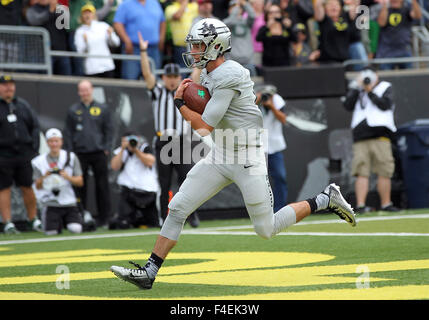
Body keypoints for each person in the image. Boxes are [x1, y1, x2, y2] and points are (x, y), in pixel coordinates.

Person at [110, 18, 356, 290]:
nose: (193, 51)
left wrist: (179, 103)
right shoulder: (209, 73)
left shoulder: (229, 74)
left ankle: (324, 199)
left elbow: (204, 127)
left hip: (248, 157)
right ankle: (149, 271)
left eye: (199, 45)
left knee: (266, 229)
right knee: (178, 207)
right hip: (221, 153)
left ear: (216, 46)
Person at [138, 32, 200, 228]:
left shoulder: (185, 90)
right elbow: (147, 74)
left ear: (178, 77)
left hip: (181, 141)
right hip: (164, 141)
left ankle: (192, 215)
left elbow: (196, 72)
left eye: (175, 77)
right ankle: (165, 219)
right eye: (169, 77)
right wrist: (143, 51)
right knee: (164, 184)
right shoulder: (157, 91)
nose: (172, 80)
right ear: (163, 77)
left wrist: (198, 53)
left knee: (187, 181)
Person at [343, 67, 399, 213]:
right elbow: (347, 105)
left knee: (384, 170)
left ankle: (386, 204)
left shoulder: (385, 87)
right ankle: (361, 205)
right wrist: (357, 87)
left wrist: (370, 90)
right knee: (361, 171)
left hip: (381, 136)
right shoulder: (357, 89)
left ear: (377, 75)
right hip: (361, 137)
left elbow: (385, 105)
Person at [63, 80, 113, 227]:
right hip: (80, 153)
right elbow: (68, 133)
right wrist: (71, 152)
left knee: (102, 186)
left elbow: (109, 130)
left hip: (98, 152)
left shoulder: (102, 108)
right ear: (79, 92)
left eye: (87, 90)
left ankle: (105, 219)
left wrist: (106, 148)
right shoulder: (73, 110)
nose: (84, 93)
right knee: (80, 186)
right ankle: (81, 216)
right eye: (82, 90)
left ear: (91, 90)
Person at [0, 75, 42, 234]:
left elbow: (35, 127)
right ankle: (8, 222)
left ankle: (33, 220)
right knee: (4, 188)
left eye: (11, 84)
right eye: (4, 85)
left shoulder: (23, 105)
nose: (8, 88)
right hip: (3, 154)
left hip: (24, 153)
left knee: (27, 186)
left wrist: (34, 149)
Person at [32, 128, 84, 235]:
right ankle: (56, 223)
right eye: (51, 141)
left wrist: (67, 177)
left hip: (69, 201)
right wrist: (45, 177)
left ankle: (65, 221)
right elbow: (37, 186)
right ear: (47, 143)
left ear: (61, 141)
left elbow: (80, 182)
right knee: (51, 233)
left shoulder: (71, 157)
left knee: (76, 229)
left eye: (56, 141)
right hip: (51, 202)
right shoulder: (39, 162)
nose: (54, 144)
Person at [110, 133, 160, 229]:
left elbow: (150, 161)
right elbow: (114, 166)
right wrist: (123, 149)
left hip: (147, 193)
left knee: (153, 223)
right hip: (129, 192)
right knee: (122, 224)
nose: (130, 143)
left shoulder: (145, 148)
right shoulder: (123, 152)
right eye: (126, 141)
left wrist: (136, 150)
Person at [255, 84, 288, 212]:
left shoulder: (277, 100)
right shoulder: (253, 99)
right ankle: (260, 210)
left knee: (280, 176)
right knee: (258, 179)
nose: (266, 97)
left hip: (274, 145)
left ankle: (279, 208)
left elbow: (283, 119)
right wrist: (257, 101)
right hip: (257, 145)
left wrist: (271, 106)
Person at [113, 0, 166, 78]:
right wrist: (126, 40)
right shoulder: (126, 4)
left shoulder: (154, 2)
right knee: (130, 78)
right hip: (134, 49)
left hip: (153, 48)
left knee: (154, 78)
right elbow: (118, 24)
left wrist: (161, 38)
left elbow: (162, 22)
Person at [25, 0, 72, 75]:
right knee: (47, 80)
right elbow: (34, 20)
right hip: (43, 53)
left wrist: (58, 7)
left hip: (61, 51)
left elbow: (68, 24)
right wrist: (50, 11)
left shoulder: (59, 8)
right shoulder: (33, 9)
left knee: (66, 80)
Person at [74, 3, 120, 78]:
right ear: (82, 16)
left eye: (89, 13)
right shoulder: (79, 31)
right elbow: (80, 52)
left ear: (94, 15)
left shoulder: (103, 26)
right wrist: (86, 42)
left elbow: (116, 43)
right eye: (85, 13)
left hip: (107, 66)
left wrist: (111, 35)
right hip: (91, 69)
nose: (87, 15)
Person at [313, 0, 366, 64]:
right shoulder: (323, 20)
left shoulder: (346, 17)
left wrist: (347, 2)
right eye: (330, 5)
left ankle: (365, 69)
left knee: (357, 46)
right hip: (327, 60)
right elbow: (318, 4)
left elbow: (356, 3)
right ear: (325, 8)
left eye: (336, 5)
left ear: (340, 8)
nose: (333, 7)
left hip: (345, 60)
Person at [376, 0, 422, 70]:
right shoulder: (384, 9)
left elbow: (418, 16)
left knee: (409, 77)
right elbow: (381, 23)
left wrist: (414, 1)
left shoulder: (407, 9)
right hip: (387, 51)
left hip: (404, 49)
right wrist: (385, 5)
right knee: (386, 79)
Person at [223, 0, 256, 75]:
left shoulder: (247, 22)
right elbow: (231, 21)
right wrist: (237, 6)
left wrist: (245, 4)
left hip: (248, 62)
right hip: (232, 62)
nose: (236, 9)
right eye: (233, 7)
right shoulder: (225, 23)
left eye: (239, 7)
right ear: (229, 10)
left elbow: (252, 15)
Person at [165, 0, 199, 67]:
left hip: (195, 46)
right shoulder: (170, 8)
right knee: (182, 71)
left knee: (196, 69)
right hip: (180, 47)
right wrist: (185, 2)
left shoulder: (194, 6)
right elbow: (177, 16)